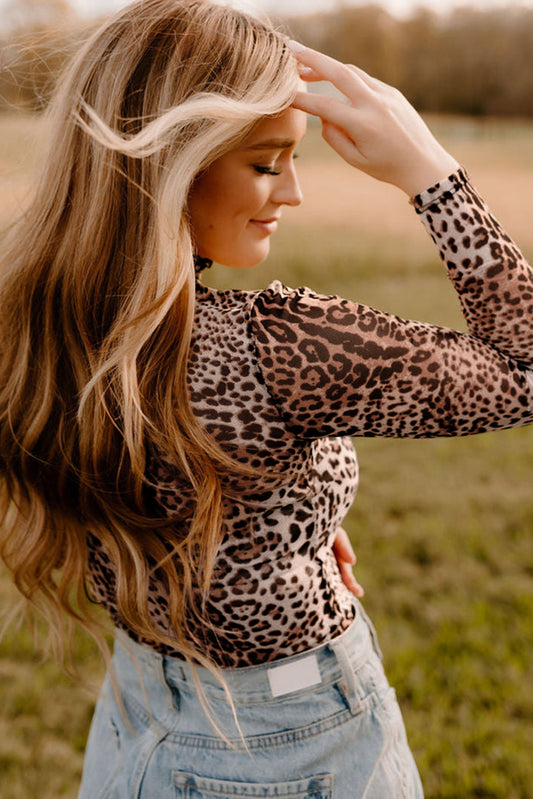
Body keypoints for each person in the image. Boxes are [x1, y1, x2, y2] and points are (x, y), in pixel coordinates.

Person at [1, 1, 533, 796]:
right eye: (265, 162)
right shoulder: (274, 349)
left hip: (138, 721)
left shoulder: (46, 318)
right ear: (175, 163)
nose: (293, 192)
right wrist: (428, 170)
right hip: (291, 744)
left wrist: (275, 520)